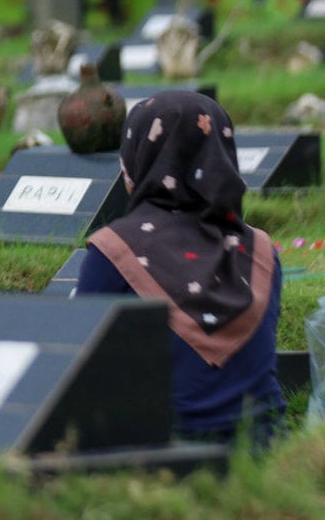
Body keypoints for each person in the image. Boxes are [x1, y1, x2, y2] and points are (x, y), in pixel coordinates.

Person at [74, 90, 286, 449]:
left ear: (138, 157)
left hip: (162, 458)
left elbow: (76, 366)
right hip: (266, 450)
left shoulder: (113, 252)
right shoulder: (261, 252)